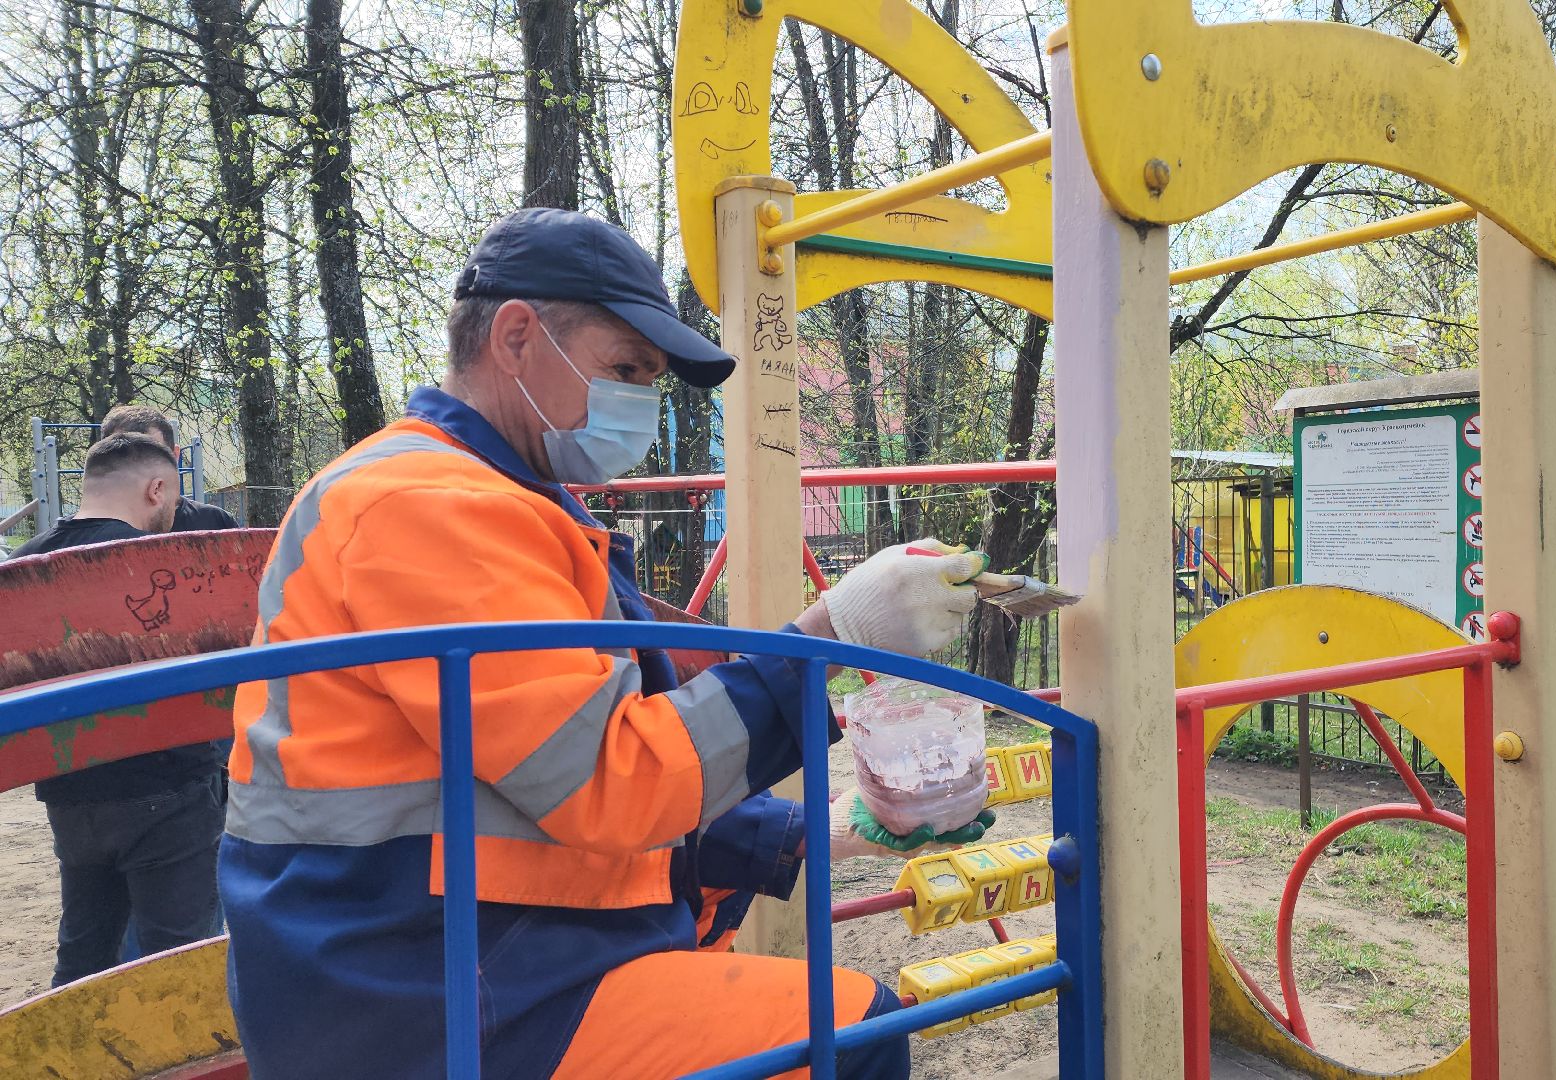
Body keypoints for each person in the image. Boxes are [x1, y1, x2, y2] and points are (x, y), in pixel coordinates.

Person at [222, 208, 991, 1079]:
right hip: (418, 995)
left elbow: (536, 783)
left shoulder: (498, 500)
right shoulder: (426, 506)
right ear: (517, 337)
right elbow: (609, 781)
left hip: (454, 952)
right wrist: (832, 633)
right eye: (625, 369)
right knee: (852, 1031)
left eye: (650, 380)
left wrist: (817, 833)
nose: (640, 405)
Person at [8, 433, 226, 986]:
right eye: (173, 498)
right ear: (157, 489)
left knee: (85, 954)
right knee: (179, 963)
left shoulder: (22, 565)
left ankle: (72, 1039)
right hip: (169, 789)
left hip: (70, 797)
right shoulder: (157, 562)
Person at [98, 403, 241, 532]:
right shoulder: (87, 534)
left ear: (174, 456)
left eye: (151, 456)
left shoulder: (216, 524)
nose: (139, 469)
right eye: (124, 457)